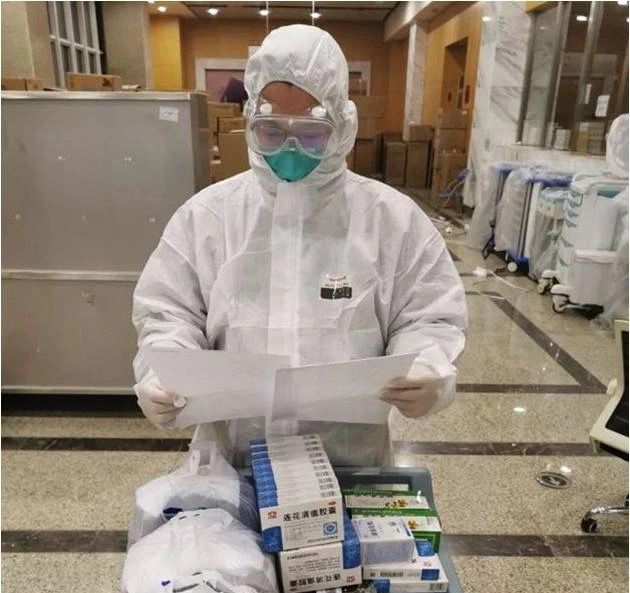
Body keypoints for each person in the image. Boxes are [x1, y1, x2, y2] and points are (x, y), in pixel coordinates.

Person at [133, 24, 467, 467]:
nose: (290, 148)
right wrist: (165, 369)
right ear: (251, 121)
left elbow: (429, 315)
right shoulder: (209, 215)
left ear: (342, 124)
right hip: (234, 463)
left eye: (310, 132)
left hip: (350, 462)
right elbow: (169, 313)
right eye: (271, 130)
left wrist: (427, 367)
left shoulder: (391, 218)